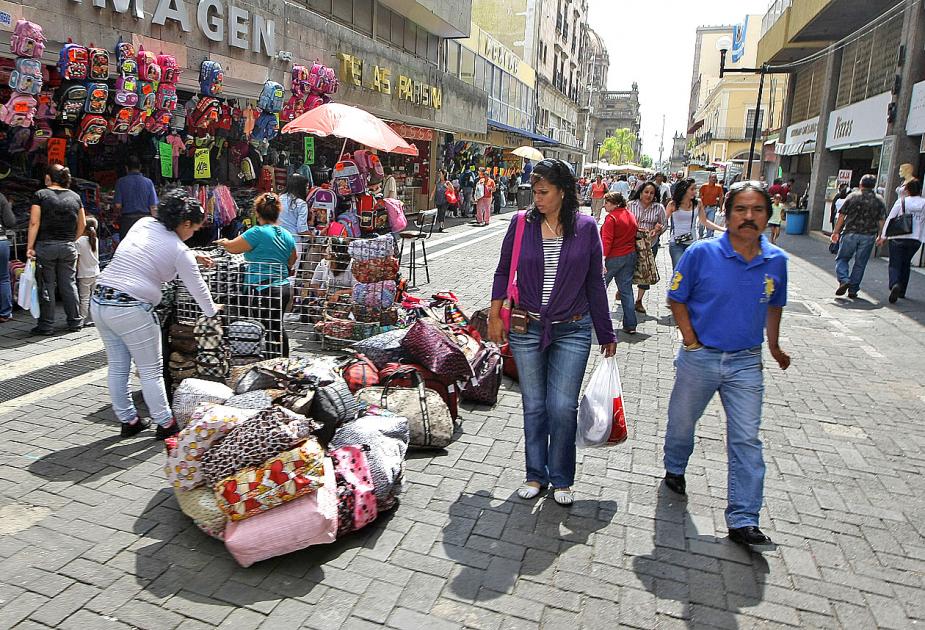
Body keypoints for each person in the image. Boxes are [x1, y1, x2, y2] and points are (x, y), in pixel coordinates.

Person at [664, 181, 791, 552]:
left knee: (746, 439)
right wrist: (691, 340)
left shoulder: (776, 261)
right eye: (741, 210)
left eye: (757, 211)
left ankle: (744, 519)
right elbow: (676, 298)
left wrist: (774, 346)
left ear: (768, 216)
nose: (749, 218)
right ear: (727, 212)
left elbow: (774, 305)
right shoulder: (702, 253)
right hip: (699, 358)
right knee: (682, 423)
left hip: (746, 363)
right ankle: (675, 466)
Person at [488, 158, 617, 506]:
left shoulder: (586, 228)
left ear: (563, 191)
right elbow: (503, 272)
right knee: (534, 405)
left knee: (561, 407)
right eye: (535, 191)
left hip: (573, 329)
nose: (537, 198)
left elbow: (595, 282)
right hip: (526, 327)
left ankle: (561, 478)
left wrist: (606, 332)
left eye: (544, 192)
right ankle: (535, 474)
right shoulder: (521, 225)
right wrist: (495, 314)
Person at [92, 189, 219, 440]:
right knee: (150, 370)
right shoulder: (179, 250)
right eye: (193, 229)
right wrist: (212, 311)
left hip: (100, 300)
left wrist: (191, 255)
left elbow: (148, 249)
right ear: (184, 223)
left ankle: (129, 420)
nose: (193, 234)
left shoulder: (143, 224)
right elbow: (198, 288)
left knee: (118, 365)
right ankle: (166, 424)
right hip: (130, 308)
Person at [216, 193, 298, 356]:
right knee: (276, 327)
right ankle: (284, 363)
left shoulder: (257, 232)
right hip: (283, 288)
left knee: (261, 328)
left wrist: (223, 241)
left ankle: (265, 363)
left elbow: (233, 248)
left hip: (263, 290)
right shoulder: (286, 234)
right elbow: (292, 260)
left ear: (257, 213)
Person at [27, 164, 86, 335]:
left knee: (47, 285)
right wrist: (71, 239)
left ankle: (46, 325)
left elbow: (34, 222)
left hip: (46, 246)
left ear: (48, 178)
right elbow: (82, 223)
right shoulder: (75, 197)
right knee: (69, 284)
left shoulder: (40, 195)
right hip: (68, 246)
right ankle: (75, 321)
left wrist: (30, 247)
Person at [831, 174, 887, 299]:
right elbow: (881, 220)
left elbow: (841, 215)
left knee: (842, 259)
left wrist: (836, 231)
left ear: (861, 184)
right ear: (873, 186)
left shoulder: (852, 196)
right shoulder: (879, 200)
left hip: (850, 233)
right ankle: (853, 289)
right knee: (860, 263)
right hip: (868, 235)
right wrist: (881, 235)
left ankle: (844, 279)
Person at [664, 178, 725, 270]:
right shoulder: (673, 204)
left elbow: (704, 221)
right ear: (684, 189)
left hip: (692, 243)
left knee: (690, 271)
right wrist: (656, 230)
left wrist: (722, 229)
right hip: (676, 243)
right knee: (678, 271)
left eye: (695, 189)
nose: (695, 192)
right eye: (692, 189)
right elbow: (664, 221)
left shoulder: (698, 203)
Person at [881, 178, 924, 303]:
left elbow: (890, 218)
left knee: (895, 263)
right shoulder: (924, 203)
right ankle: (902, 291)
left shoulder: (902, 201)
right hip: (915, 239)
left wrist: (883, 235)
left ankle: (894, 284)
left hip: (898, 237)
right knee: (906, 263)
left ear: (907, 190)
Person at [601, 192, 638, 334]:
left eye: (607, 202)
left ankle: (592, 319)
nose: (605, 205)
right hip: (630, 255)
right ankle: (631, 324)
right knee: (626, 291)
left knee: (599, 288)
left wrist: (602, 258)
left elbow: (607, 240)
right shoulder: (629, 214)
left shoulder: (611, 218)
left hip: (614, 256)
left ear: (615, 203)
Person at [628, 181, 667, 314]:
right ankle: (624, 291)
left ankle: (639, 300)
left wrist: (657, 230)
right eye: (646, 192)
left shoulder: (659, 207)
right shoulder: (630, 205)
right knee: (628, 269)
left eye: (652, 193)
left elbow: (664, 224)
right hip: (631, 242)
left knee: (646, 272)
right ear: (640, 193)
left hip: (650, 244)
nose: (649, 195)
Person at [114, 154, 158, 240]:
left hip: (127, 221)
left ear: (126, 168)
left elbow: (117, 205)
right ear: (140, 167)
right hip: (145, 221)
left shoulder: (121, 182)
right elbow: (153, 207)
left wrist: (117, 215)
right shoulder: (149, 182)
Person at [75, 215, 100, 325]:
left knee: (84, 298)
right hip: (96, 272)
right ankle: (95, 318)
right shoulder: (95, 239)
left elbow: (78, 259)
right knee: (94, 297)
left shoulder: (79, 241)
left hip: (84, 274)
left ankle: (83, 318)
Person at [278, 173, 311, 238]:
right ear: (300, 187)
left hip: (278, 239)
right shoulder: (301, 204)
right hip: (293, 241)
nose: (308, 189)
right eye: (306, 187)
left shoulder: (279, 198)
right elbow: (301, 230)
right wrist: (313, 236)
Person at [0, 191, 15, 323]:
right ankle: (5, 313)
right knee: (3, 278)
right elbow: (10, 222)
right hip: (1, 241)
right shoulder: (1, 197)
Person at [698, 173, 724, 238]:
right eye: (712, 177)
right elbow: (700, 197)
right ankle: (700, 235)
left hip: (712, 207)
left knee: (710, 222)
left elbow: (721, 197)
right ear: (709, 178)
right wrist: (699, 207)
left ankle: (709, 237)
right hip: (703, 207)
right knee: (701, 223)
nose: (713, 179)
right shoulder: (704, 186)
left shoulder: (718, 187)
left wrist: (721, 208)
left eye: (715, 178)